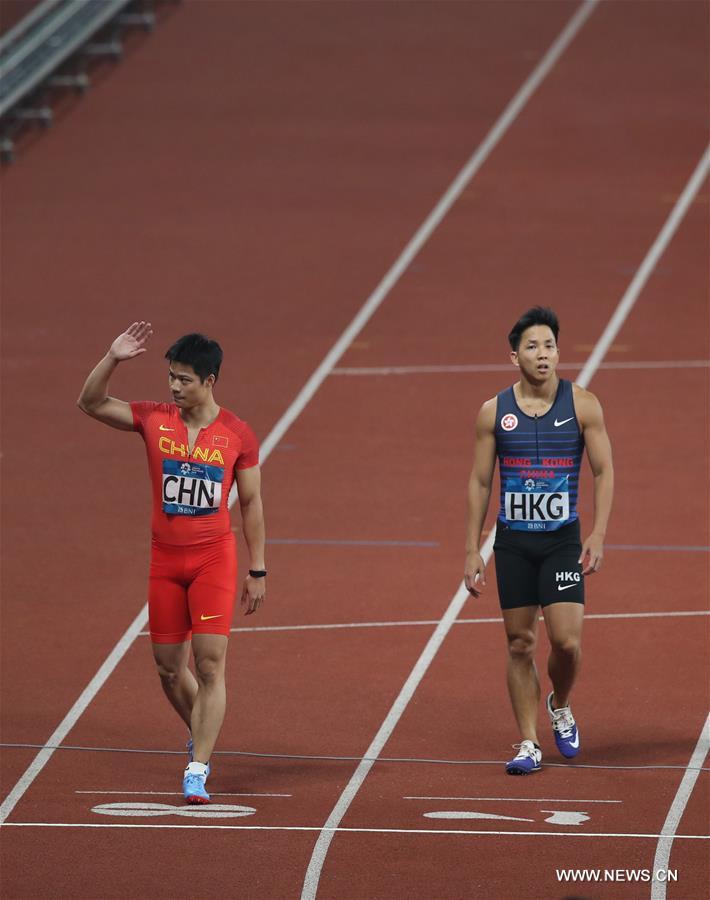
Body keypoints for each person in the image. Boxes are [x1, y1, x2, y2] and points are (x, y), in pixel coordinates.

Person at [78, 322, 267, 802]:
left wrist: (258, 568)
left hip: (212, 560)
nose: (174, 387)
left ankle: (198, 767)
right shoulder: (154, 419)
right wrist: (113, 357)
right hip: (164, 561)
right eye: (171, 377)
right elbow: (91, 403)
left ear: (210, 381)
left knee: (209, 666)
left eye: (184, 379)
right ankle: (202, 731)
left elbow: (251, 504)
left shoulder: (238, 435)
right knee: (167, 668)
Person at [464, 307, 613, 775]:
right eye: (532, 346)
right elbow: (480, 482)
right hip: (513, 543)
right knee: (519, 643)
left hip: (561, 542)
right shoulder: (494, 412)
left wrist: (599, 532)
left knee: (566, 643)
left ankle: (560, 703)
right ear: (515, 356)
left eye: (549, 345)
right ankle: (529, 742)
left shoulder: (583, 404)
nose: (543, 354)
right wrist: (472, 547)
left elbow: (604, 470)